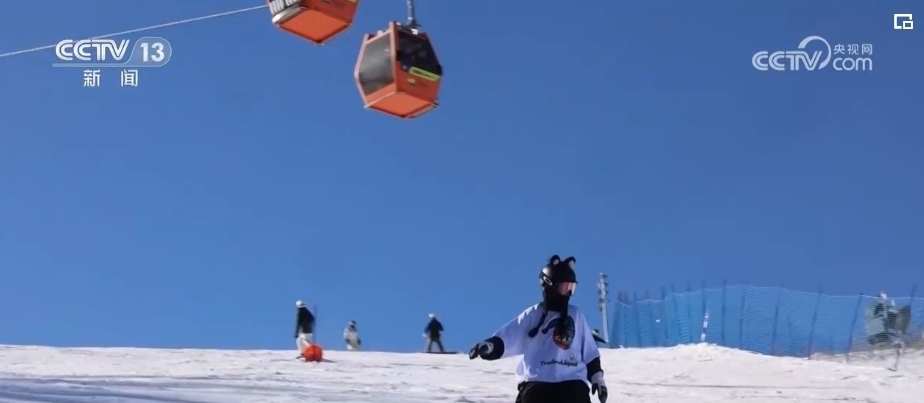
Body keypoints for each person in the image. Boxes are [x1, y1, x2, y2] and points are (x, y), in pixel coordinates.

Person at [468, 255, 608, 403]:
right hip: (538, 385)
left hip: (572, 385)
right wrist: (491, 346)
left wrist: (597, 379)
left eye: (571, 288)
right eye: (564, 287)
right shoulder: (534, 314)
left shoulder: (576, 315)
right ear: (550, 285)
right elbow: (510, 336)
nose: (568, 293)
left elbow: (590, 352)